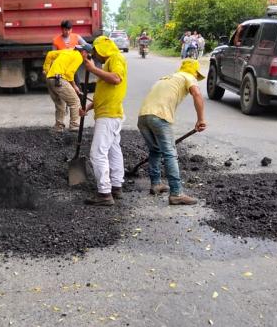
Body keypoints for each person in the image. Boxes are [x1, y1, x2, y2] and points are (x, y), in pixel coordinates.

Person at [137, 58, 207, 205]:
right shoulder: (188, 77)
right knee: (170, 154)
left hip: (143, 117)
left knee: (155, 151)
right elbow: (197, 95)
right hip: (159, 117)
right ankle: (176, 193)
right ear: (194, 72)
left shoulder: (167, 78)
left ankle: (156, 184)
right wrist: (201, 119)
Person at [79, 36, 128, 206]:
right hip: (111, 113)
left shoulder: (115, 58)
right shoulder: (109, 62)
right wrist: (88, 108)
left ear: (103, 49)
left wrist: (92, 69)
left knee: (97, 153)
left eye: (96, 51)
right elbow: (104, 94)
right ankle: (116, 186)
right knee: (114, 150)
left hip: (108, 116)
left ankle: (105, 193)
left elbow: (115, 79)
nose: (96, 55)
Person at [42, 45, 90, 132]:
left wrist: (46, 70)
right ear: (84, 52)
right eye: (88, 55)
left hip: (50, 79)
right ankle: (74, 125)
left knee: (60, 104)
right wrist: (74, 86)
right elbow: (69, 73)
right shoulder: (79, 56)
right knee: (75, 101)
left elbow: (50, 54)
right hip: (60, 80)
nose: (87, 57)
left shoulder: (67, 51)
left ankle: (58, 127)